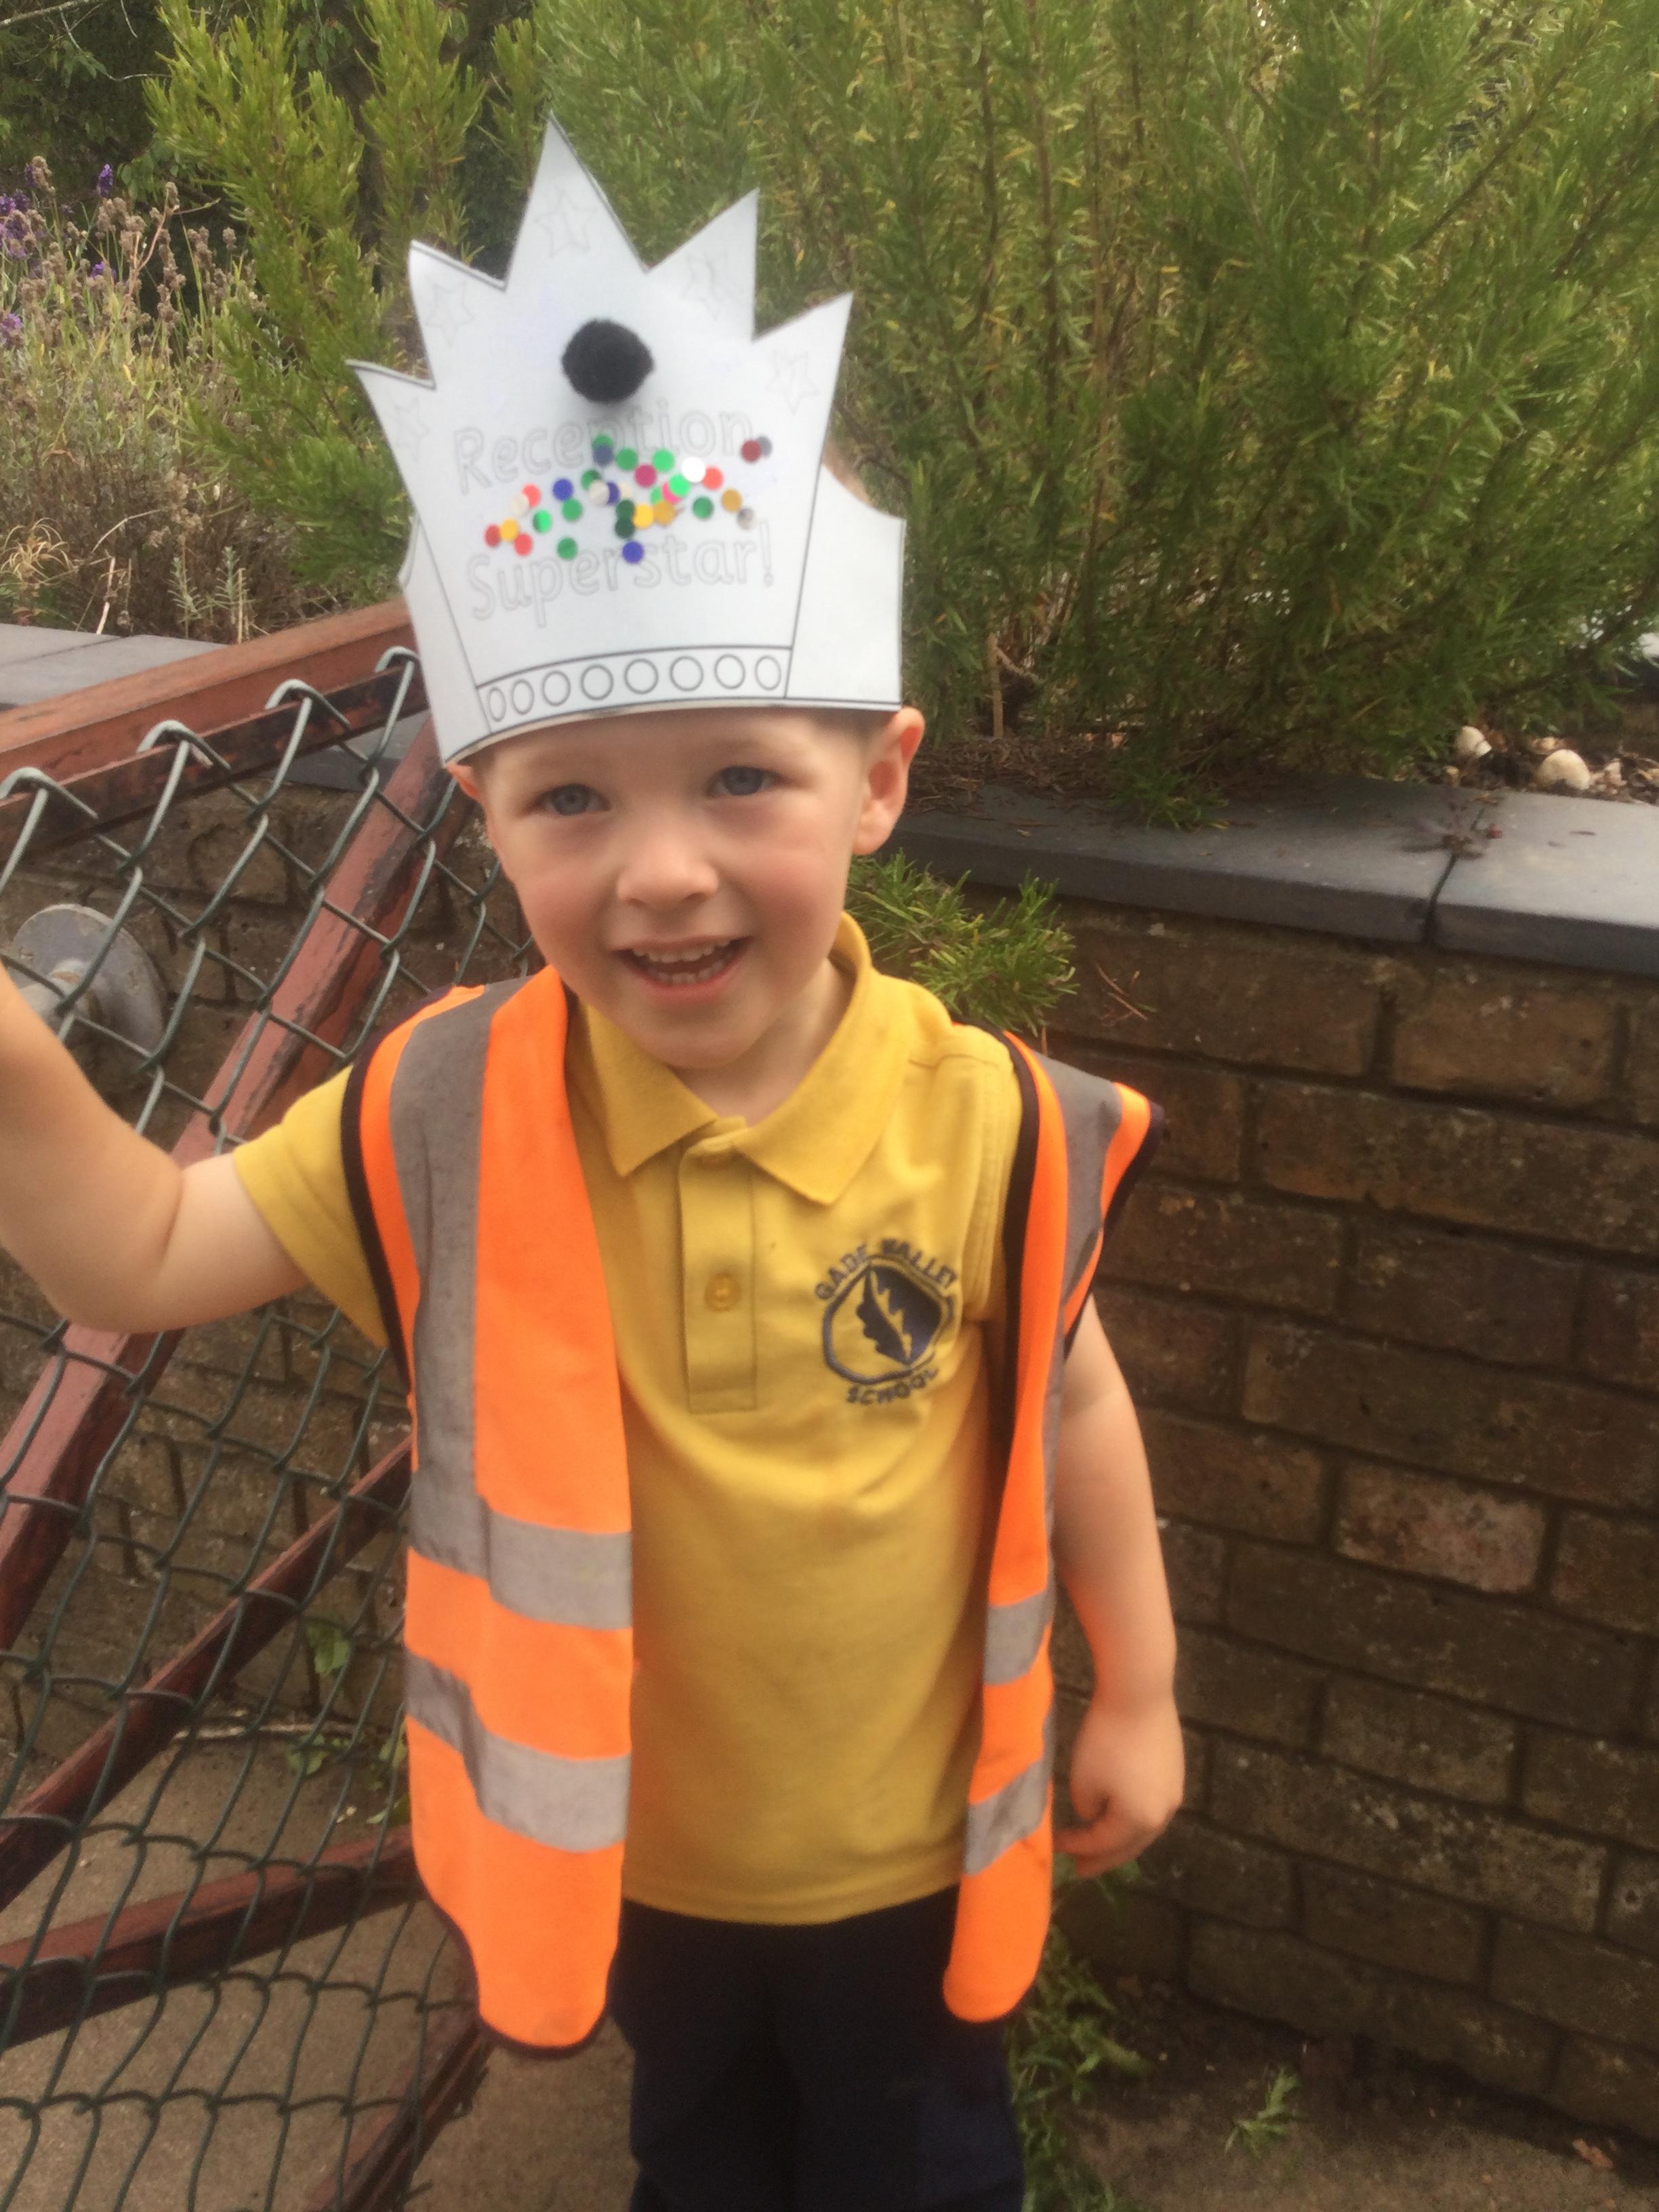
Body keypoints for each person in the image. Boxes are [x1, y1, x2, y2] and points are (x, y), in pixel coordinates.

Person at [0, 123, 1183, 2212]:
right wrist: (12, 1064)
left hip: (918, 1864)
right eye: (571, 801)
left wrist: (1143, 1690)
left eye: (741, 777)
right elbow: (149, 1250)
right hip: (635, 1881)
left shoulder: (995, 1123)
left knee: (918, 2180)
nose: (660, 873)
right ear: (483, 810)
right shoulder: (440, 1110)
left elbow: (1075, 1402)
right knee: (696, 2168)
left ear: (879, 781)